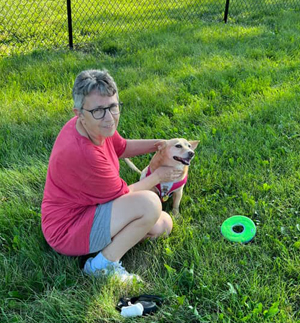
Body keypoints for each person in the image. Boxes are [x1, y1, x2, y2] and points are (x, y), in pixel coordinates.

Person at [41, 69, 183, 281]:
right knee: (150, 204)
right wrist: (159, 176)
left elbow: (122, 146)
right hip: (67, 229)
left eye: (113, 107)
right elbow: (124, 194)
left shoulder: (94, 127)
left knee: (163, 224)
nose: (109, 118)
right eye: (99, 110)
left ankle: (107, 242)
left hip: (90, 209)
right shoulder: (84, 153)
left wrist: (161, 145)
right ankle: (101, 265)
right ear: (78, 113)